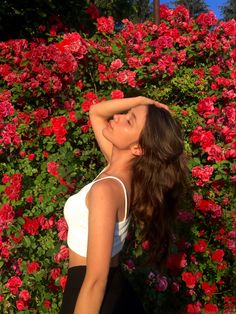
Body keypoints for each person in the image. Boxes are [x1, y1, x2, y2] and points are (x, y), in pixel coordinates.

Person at [60, 96, 188, 314]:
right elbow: (96, 112)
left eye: (129, 121)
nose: (117, 117)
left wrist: (142, 105)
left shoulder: (107, 190)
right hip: (112, 288)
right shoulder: (123, 173)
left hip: (90, 294)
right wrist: (142, 101)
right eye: (125, 114)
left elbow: (95, 281)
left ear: (138, 147)